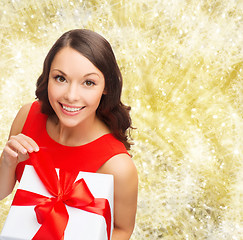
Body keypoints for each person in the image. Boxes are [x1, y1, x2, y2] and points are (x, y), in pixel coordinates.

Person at [0, 29, 138, 239]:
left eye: (88, 83)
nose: (71, 96)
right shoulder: (28, 115)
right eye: (60, 78)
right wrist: (7, 162)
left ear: (106, 87)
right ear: (48, 77)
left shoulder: (117, 166)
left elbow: (122, 229)